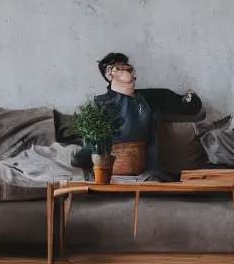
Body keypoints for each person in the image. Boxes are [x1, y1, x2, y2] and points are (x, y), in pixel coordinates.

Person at [71, 52, 168, 181]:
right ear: (109, 74)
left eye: (126, 68)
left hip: (142, 166)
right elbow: (91, 144)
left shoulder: (143, 100)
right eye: (119, 69)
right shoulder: (99, 103)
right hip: (106, 165)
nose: (126, 72)